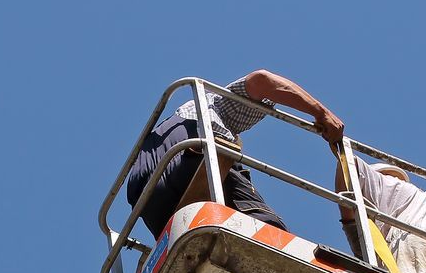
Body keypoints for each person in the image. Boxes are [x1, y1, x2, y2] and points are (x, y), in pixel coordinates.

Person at [124, 69, 345, 240]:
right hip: (186, 163)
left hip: (152, 211)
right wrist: (321, 113)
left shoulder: (160, 135)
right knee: (269, 228)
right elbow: (262, 81)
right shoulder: (213, 105)